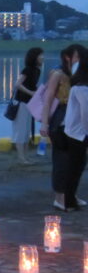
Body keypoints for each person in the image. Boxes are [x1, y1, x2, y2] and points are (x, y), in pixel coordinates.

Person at [40, 44, 86, 210]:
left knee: (78, 161)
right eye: (77, 57)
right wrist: (44, 123)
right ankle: (60, 198)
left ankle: (70, 195)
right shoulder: (58, 74)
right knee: (62, 159)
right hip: (61, 117)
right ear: (67, 57)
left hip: (77, 119)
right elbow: (48, 99)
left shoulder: (80, 75)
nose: (79, 60)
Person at [63, 55, 88, 210]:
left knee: (75, 166)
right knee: (75, 167)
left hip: (74, 131)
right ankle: (69, 201)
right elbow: (86, 113)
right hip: (79, 132)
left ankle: (70, 199)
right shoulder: (82, 88)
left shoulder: (77, 86)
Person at [12, 47, 43, 164]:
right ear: (35, 57)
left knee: (26, 131)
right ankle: (21, 158)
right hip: (21, 102)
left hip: (30, 103)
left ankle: (25, 157)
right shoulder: (28, 70)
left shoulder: (37, 70)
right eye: (41, 55)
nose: (43, 57)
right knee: (21, 130)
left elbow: (32, 85)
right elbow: (17, 84)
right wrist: (31, 93)